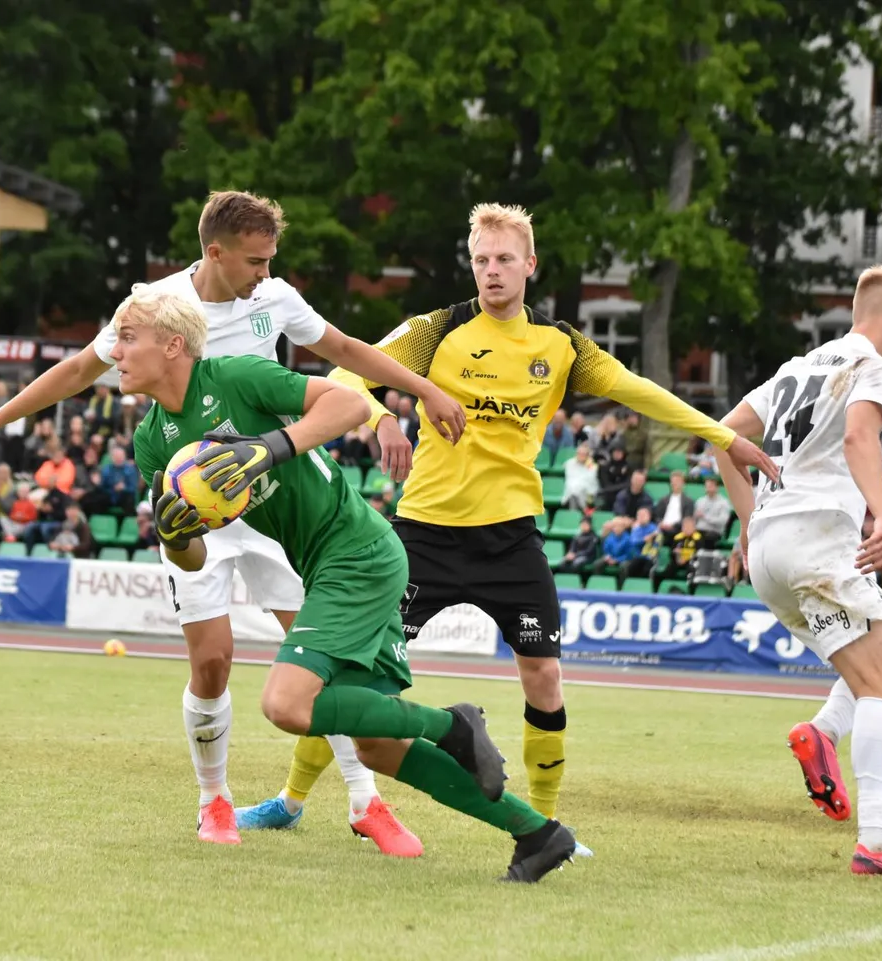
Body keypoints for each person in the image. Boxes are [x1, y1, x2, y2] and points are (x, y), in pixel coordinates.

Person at [0, 190, 468, 854]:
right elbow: (80, 369)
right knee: (213, 661)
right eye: (255, 260)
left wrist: (420, 388)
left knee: (321, 661)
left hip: (271, 497)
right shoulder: (154, 308)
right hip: (194, 498)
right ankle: (213, 800)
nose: (265, 272)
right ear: (215, 252)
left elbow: (343, 347)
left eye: (270, 259)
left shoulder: (274, 299)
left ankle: (368, 801)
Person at [269, 202, 776, 829]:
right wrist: (384, 419)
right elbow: (346, 375)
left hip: (510, 540)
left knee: (544, 678)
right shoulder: (436, 329)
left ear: (529, 265)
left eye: (505, 259)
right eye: (481, 261)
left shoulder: (560, 346)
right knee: (352, 673)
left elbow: (639, 391)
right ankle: (291, 802)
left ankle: (546, 824)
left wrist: (723, 437)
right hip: (423, 534)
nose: (492, 272)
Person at [112, 284, 581, 882]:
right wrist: (176, 534)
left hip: (356, 553)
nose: (115, 351)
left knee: (284, 703)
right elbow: (189, 558)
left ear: (173, 345)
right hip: (335, 563)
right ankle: (538, 834)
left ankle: (452, 724)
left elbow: (350, 406)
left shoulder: (235, 376)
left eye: (127, 338)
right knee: (378, 746)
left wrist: (268, 448)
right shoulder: (153, 440)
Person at [714, 264, 882, 882]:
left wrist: (749, 520)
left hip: (772, 546)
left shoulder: (798, 367)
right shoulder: (876, 367)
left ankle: (822, 734)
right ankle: (878, 842)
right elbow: (858, 436)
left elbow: (721, 437)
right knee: (881, 681)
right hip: (817, 537)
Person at [653, 470, 694, 534]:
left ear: (683, 483)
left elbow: (687, 519)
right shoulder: (663, 500)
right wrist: (660, 523)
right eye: (672, 481)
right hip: (662, 529)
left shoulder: (688, 501)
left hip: (678, 530)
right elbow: (657, 517)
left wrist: (673, 526)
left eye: (677, 481)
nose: (674, 483)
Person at [561, 443, 600, 511]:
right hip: (572, 492)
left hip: (588, 493)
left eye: (584, 454)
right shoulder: (570, 463)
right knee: (573, 493)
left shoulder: (592, 465)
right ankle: (573, 515)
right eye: (580, 454)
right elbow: (570, 479)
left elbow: (591, 481)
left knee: (577, 491)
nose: (581, 456)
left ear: (588, 455)